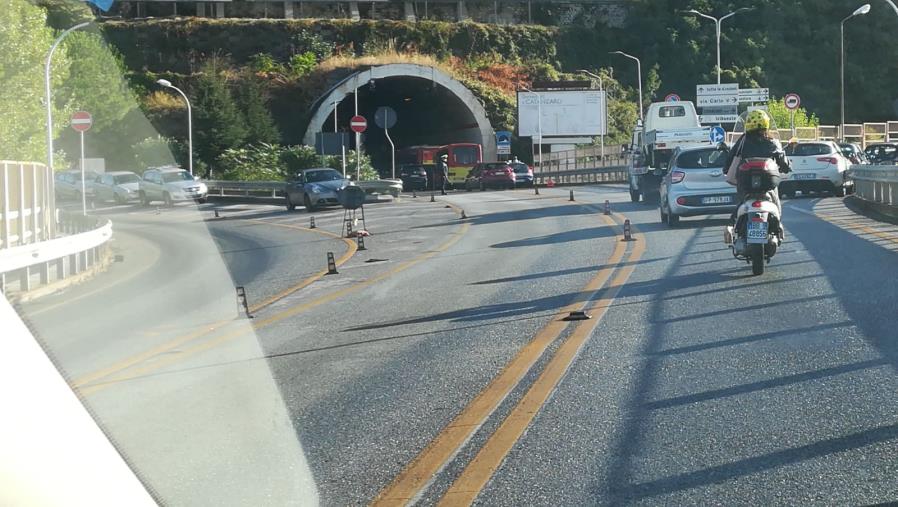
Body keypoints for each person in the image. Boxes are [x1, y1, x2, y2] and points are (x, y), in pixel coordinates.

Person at [722, 109, 791, 240]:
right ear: (766, 124)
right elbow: (784, 164)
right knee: (776, 204)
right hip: (768, 184)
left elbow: (729, 160)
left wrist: (726, 169)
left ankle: (731, 225)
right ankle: (778, 226)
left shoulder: (742, 141)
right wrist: (786, 167)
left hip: (745, 183)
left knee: (742, 202)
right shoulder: (772, 142)